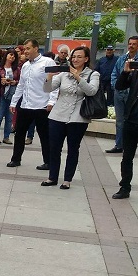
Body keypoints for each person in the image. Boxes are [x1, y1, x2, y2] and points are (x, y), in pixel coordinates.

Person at [41, 46, 99, 190]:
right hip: (58, 115)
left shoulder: (93, 74)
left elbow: (91, 91)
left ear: (86, 59)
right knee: (54, 147)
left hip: (78, 117)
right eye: (73, 56)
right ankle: (52, 177)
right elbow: (47, 89)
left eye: (79, 57)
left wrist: (78, 77)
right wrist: (49, 77)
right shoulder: (63, 73)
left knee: (73, 148)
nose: (75, 59)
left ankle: (67, 180)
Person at [7, 39, 57, 169]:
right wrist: (14, 102)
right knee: (19, 134)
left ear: (36, 48)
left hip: (42, 105)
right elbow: (21, 85)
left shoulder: (47, 62)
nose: (26, 51)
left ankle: (48, 161)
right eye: (25, 49)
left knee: (44, 135)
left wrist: (51, 101)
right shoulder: (25, 65)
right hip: (25, 105)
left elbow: (54, 83)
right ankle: (16, 159)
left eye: (28, 48)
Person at [112, 55, 138, 199]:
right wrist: (125, 72)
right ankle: (124, 187)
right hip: (132, 119)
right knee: (127, 157)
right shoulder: (135, 72)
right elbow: (119, 86)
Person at [109, 36, 138, 154]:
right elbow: (114, 74)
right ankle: (119, 145)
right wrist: (117, 86)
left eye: (134, 44)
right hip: (119, 94)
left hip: (132, 96)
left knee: (132, 121)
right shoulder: (122, 59)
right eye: (129, 44)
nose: (131, 46)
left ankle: (129, 145)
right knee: (120, 121)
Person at [0, 49, 20, 145]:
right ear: (6, 56)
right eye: (10, 55)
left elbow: (21, 81)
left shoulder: (17, 69)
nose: (12, 57)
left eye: (14, 56)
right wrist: (2, 81)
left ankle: (6, 137)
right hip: (1, 94)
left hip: (12, 95)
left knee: (9, 117)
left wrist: (14, 82)